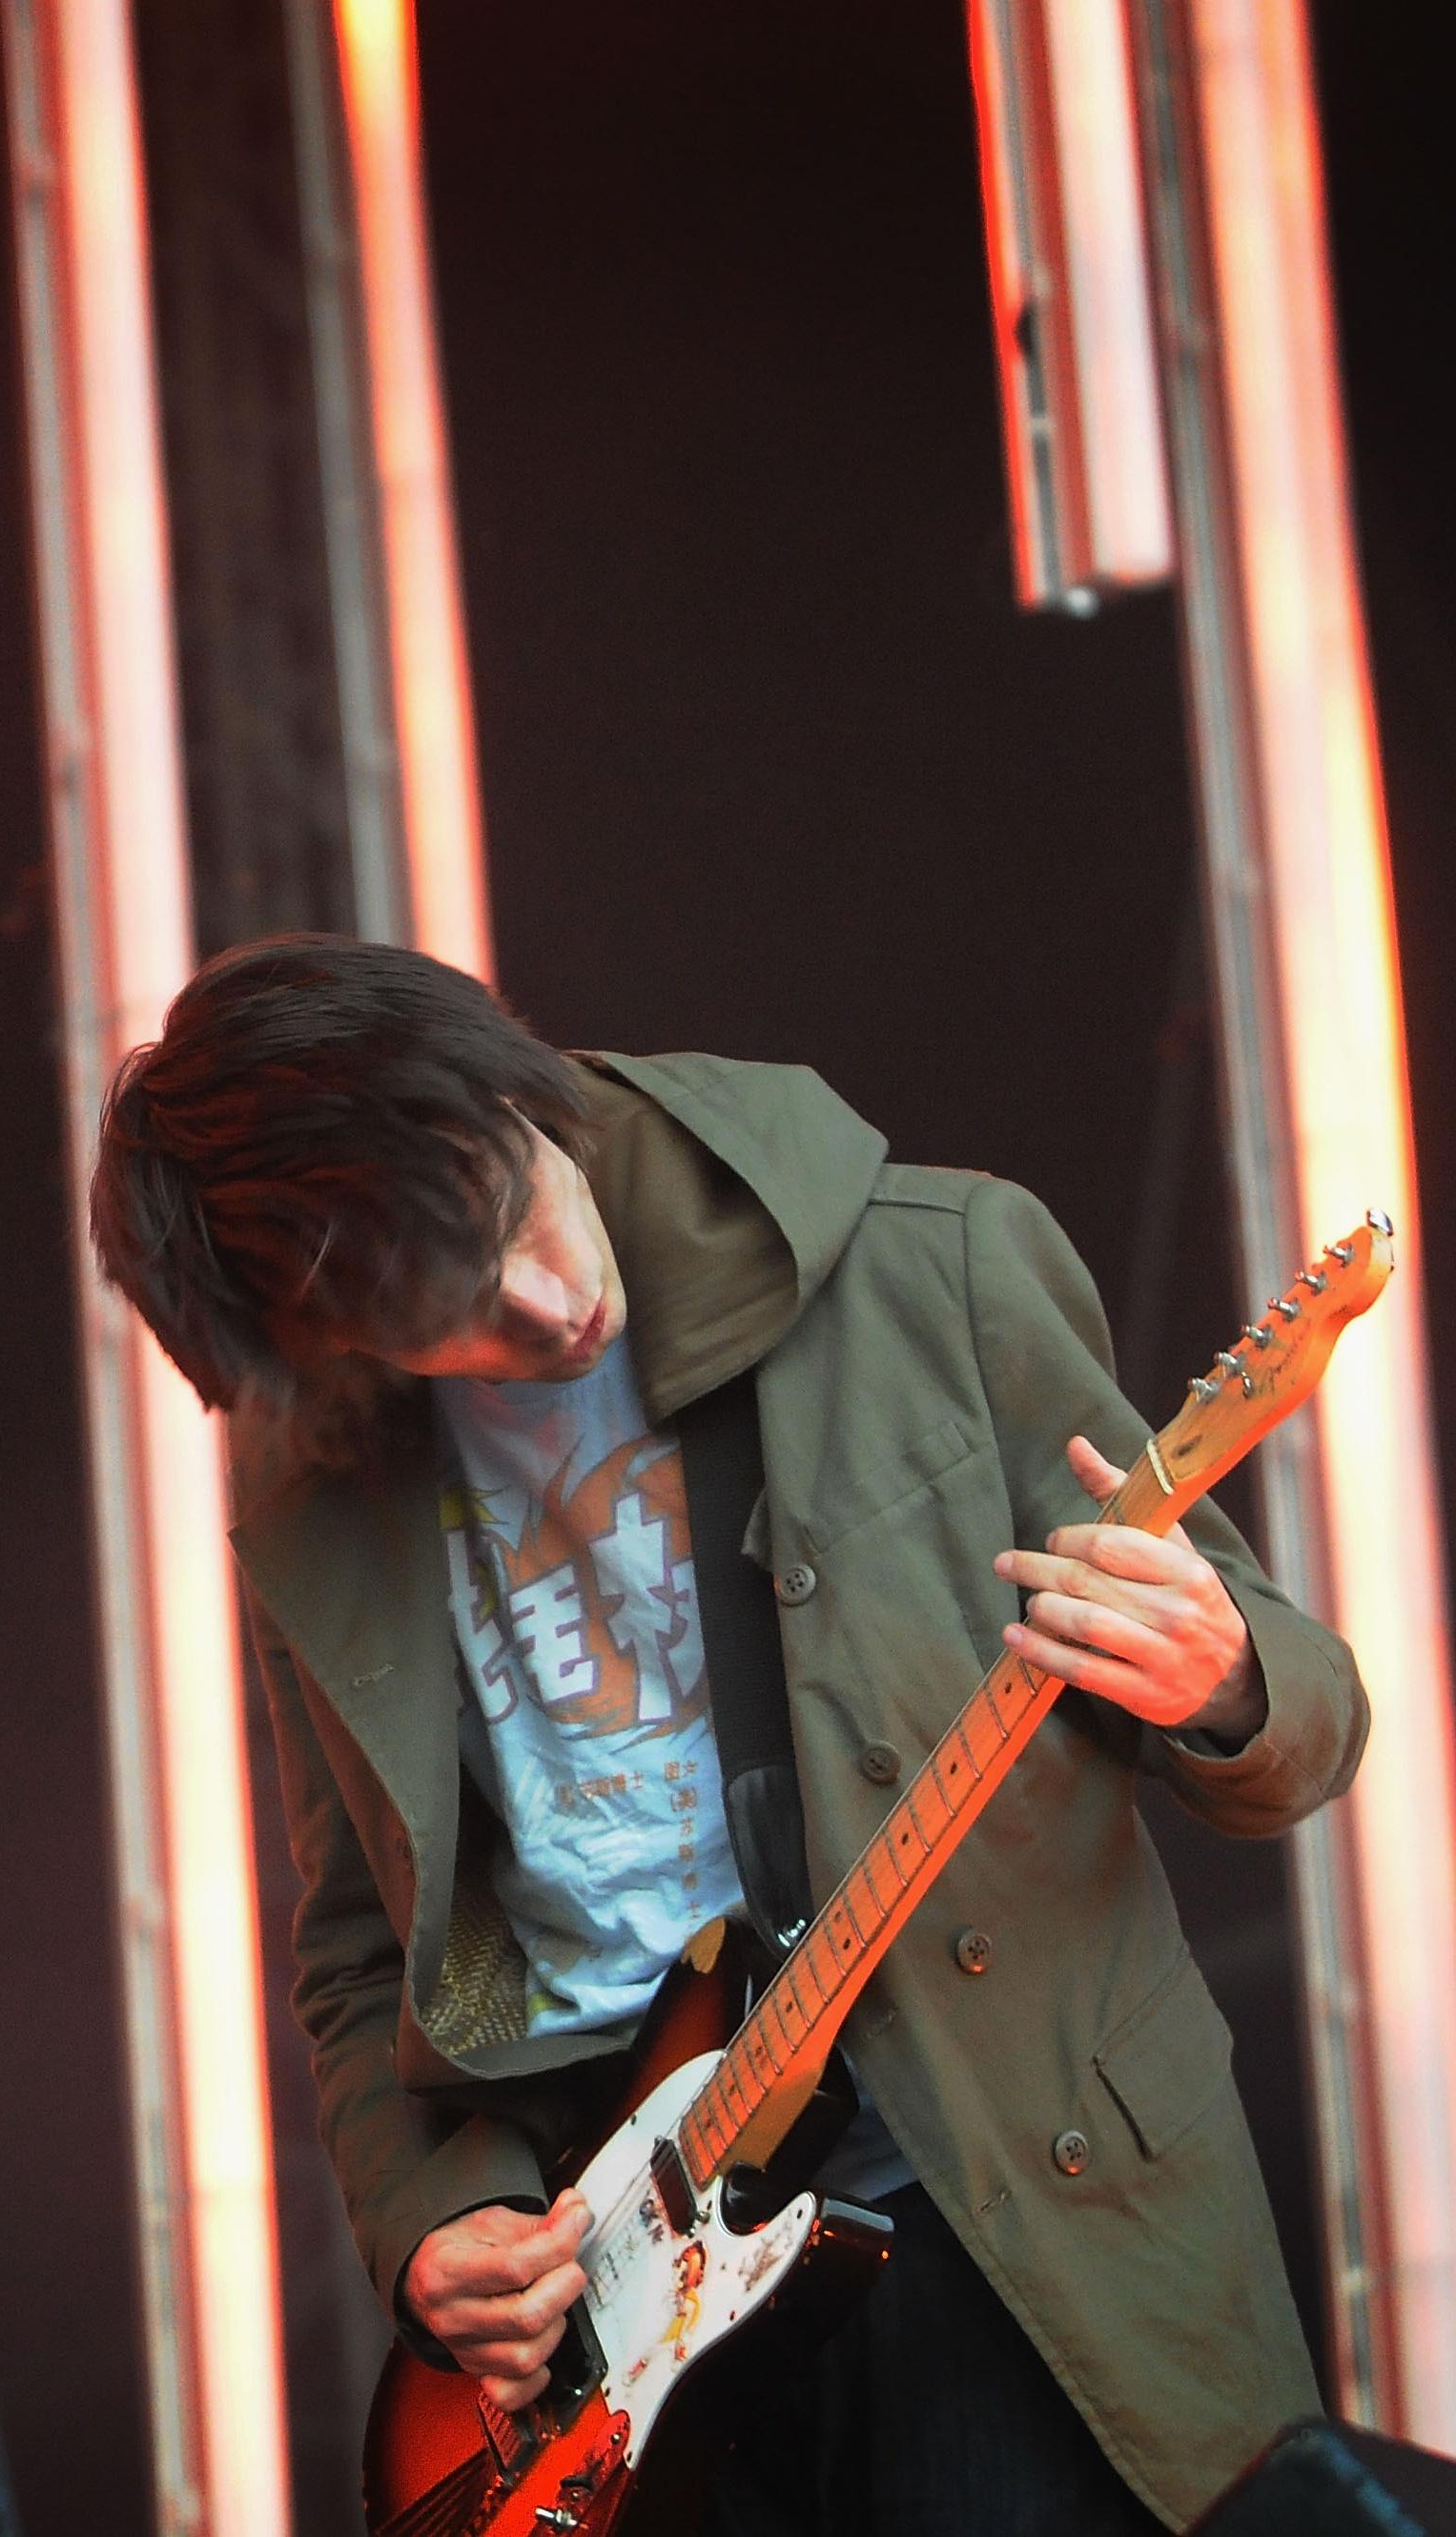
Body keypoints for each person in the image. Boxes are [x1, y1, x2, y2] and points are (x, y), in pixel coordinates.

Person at [89, 934, 1364, 2534]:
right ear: (333, 1341)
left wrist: (1223, 1674)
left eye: (519, 1216)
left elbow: (1307, 1727)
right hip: (619, 2308)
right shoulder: (309, 1491)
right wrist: (435, 2226)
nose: (547, 1310)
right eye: (453, 1316)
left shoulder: (932, 1262)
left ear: (522, 1088)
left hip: (1001, 2198)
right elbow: (362, 1943)